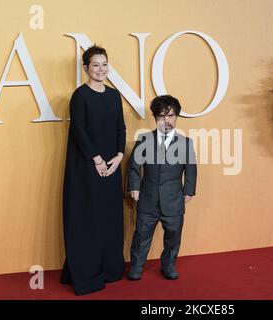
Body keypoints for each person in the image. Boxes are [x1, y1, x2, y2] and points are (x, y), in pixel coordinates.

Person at [60, 45, 126, 295]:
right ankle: (87, 272)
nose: (101, 69)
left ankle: (109, 268)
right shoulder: (80, 96)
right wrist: (97, 159)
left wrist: (119, 156)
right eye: (96, 65)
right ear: (86, 68)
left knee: (109, 217)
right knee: (88, 217)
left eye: (104, 64)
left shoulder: (113, 96)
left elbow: (121, 128)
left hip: (112, 165)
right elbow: (79, 130)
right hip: (86, 167)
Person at [127, 95, 197, 280]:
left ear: (176, 117)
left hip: (173, 200)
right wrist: (134, 186)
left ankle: (168, 266)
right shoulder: (144, 140)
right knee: (141, 236)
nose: (166, 120)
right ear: (155, 117)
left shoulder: (186, 143)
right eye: (161, 116)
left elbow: (191, 169)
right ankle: (136, 267)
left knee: (173, 237)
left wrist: (189, 191)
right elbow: (134, 166)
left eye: (171, 116)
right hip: (147, 199)